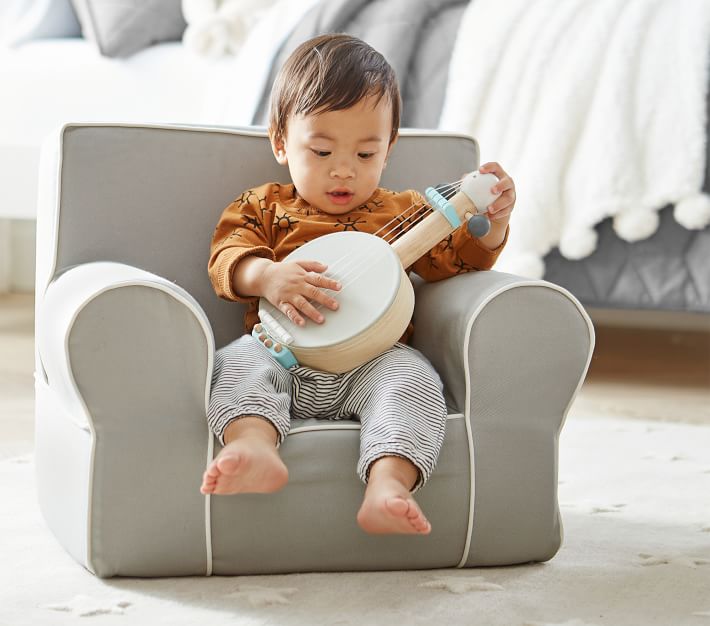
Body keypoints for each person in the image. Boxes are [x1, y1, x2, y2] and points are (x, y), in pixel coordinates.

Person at [200, 33, 516, 535]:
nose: (343, 169)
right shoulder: (263, 205)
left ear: (389, 149)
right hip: (277, 349)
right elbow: (227, 256)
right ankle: (253, 446)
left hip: (372, 361)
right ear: (281, 141)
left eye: (366, 154)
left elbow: (457, 262)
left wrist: (492, 224)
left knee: (413, 380)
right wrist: (267, 276)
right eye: (322, 150)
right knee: (233, 365)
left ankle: (388, 484)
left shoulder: (403, 212)